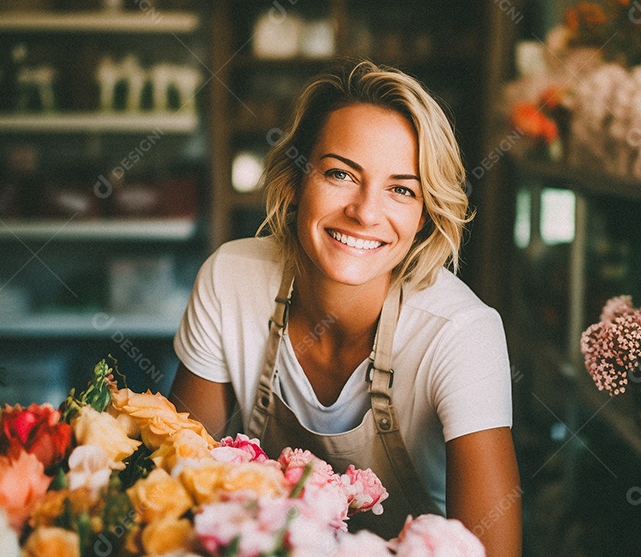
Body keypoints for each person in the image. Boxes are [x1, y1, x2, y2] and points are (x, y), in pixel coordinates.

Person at [170, 60, 521, 555]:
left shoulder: (462, 332)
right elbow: (176, 488)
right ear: (295, 181)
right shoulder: (231, 280)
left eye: (401, 189)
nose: (365, 212)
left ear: (424, 215)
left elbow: (493, 553)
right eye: (340, 174)